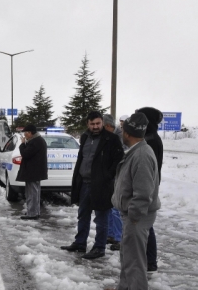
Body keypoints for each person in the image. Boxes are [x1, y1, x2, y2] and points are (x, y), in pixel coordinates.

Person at [60, 111, 124, 259]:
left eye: (98, 123)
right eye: (92, 124)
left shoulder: (112, 139)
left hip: (101, 185)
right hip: (84, 183)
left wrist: (107, 176)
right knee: (83, 214)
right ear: (87, 124)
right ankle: (80, 243)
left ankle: (99, 247)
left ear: (102, 122)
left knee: (102, 217)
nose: (95, 126)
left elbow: (118, 160)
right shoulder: (85, 137)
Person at [113, 112, 161, 289]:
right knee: (127, 257)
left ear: (127, 133)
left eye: (122, 129)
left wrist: (133, 216)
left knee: (135, 263)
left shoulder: (141, 155)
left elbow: (143, 193)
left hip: (137, 217)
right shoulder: (136, 151)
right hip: (131, 216)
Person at [136, 107, 164, 273]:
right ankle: (148, 260)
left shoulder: (151, 140)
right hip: (150, 184)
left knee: (146, 225)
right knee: (145, 225)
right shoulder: (149, 137)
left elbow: (147, 167)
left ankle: (151, 261)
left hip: (149, 186)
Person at [15, 124, 48, 220]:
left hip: (33, 172)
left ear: (30, 133)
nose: (24, 135)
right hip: (34, 171)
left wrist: (22, 144)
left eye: (26, 133)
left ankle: (32, 213)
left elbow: (25, 154)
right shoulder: (37, 140)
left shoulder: (36, 141)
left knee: (32, 193)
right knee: (34, 192)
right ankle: (34, 212)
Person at [103, 114, 124, 251]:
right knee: (110, 207)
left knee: (116, 209)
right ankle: (111, 234)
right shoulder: (109, 136)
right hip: (111, 177)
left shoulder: (120, 137)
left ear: (109, 126)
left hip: (119, 176)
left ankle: (119, 238)